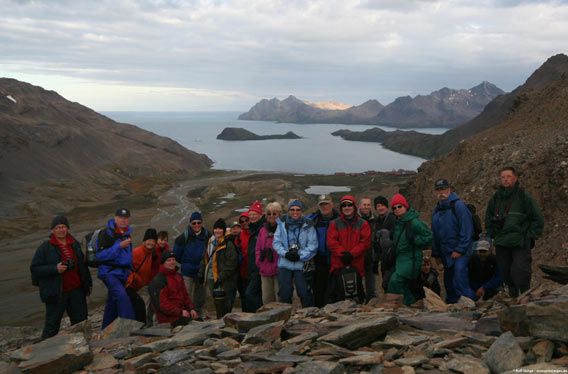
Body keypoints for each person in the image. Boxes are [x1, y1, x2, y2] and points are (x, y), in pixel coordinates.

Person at [485, 166, 544, 297]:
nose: (506, 180)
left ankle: (525, 296)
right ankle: (513, 298)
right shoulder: (496, 198)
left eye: (509, 177)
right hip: (502, 241)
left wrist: (530, 236)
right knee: (505, 272)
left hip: (520, 241)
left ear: (515, 178)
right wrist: (492, 234)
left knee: (521, 271)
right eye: (503, 177)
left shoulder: (523, 196)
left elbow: (538, 218)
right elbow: (488, 218)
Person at [30, 215, 92, 340]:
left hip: (76, 290)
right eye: (58, 227)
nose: (61, 230)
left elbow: (83, 267)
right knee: (52, 325)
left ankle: (82, 348)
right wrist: (54, 269)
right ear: (52, 230)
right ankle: (45, 353)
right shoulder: (45, 248)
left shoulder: (74, 244)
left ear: (67, 229)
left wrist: (87, 284)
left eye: (64, 227)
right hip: (56, 293)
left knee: (80, 322)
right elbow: (35, 269)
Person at [431, 179, 477, 303]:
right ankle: (452, 306)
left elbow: (467, 231)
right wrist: (436, 254)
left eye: (444, 189)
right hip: (446, 254)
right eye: (439, 190)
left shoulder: (459, 206)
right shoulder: (436, 211)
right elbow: (435, 234)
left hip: (461, 252)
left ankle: (471, 304)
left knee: (459, 278)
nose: (441, 192)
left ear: (449, 189)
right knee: (449, 282)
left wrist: (459, 250)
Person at [387, 194, 432, 306]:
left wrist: (415, 239)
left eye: (400, 206)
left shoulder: (414, 222)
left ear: (405, 206)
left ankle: (402, 305)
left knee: (395, 281)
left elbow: (429, 237)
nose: (397, 209)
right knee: (403, 285)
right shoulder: (399, 222)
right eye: (394, 207)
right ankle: (410, 304)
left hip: (411, 259)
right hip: (400, 259)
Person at [327, 195, 371, 304]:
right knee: (338, 296)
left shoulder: (363, 224)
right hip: (338, 265)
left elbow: (365, 242)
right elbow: (331, 242)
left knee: (356, 295)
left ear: (354, 207)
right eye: (344, 205)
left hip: (356, 265)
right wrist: (342, 254)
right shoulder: (334, 223)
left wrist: (351, 254)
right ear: (341, 208)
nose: (347, 207)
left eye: (349, 205)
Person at [273, 200, 318, 307]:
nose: (295, 212)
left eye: (298, 210)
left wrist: (300, 255)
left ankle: (310, 316)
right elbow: (276, 242)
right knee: (284, 293)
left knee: (304, 292)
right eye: (292, 209)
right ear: (288, 211)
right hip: (285, 263)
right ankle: (285, 317)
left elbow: (313, 245)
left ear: (302, 211)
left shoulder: (308, 225)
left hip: (301, 264)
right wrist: (285, 253)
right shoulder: (281, 224)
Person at [96, 208, 136, 329]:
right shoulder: (106, 234)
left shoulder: (127, 234)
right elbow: (100, 256)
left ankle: (106, 329)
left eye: (126, 218)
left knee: (112, 301)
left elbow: (127, 257)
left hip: (122, 273)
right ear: (115, 218)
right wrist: (119, 246)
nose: (124, 220)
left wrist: (130, 271)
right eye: (121, 218)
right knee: (122, 296)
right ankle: (129, 328)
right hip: (109, 273)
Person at [198, 218, 239, 318]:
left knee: (226, 303)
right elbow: (205, 259)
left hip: (225, 280)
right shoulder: (210, 242)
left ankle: (226, 323)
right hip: (211, 277)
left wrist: (220, 278)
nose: (217, 231)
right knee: (217, 302)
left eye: (220, 229)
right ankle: (220, 322)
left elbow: (231, 263)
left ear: (224, 230)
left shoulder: (228, 243)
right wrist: (201, 273)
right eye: (216, 228)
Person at [173, 212, 210, 318]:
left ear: (202, 223)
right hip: (187, 271)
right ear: (190, 224)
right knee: (186, 294)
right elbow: (176, 254)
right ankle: (186, 314)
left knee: (200, 295)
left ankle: (198, 313)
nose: (197, 225)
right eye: (194, 223)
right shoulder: (183, 238)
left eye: (199, 222)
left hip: (202, 271)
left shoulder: (208, 236)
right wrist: (185, 263)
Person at [307, 194, 339, 307]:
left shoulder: (339, 219)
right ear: (318, 206)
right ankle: (319, 315)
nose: (324, 207)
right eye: (322, 205)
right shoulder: (313, 220)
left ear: (332, 204)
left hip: (336, 260)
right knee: (319, 291)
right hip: (319, 261)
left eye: (327, 204)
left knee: (336, 290)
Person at [152, 251, 198, 327]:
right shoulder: (160, 280)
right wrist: (180, 312)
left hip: (181, 314)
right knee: (194, 325)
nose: (172, 262)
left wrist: (191, 309)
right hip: (168, 319)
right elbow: (163, 305)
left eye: (173, 260)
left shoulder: (178, 276)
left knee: (199, 321)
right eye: (169, 260)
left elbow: (185, 295)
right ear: (163, 263)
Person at [126, 228, 160, 323]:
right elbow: (127, 268)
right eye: (149, 240)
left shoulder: (150, 254)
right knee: (139, 305)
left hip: (136, 286)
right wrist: (136, 278)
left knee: (135, 306)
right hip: (128, 284)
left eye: (153, 241)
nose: (151, 243)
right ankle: (141, 326)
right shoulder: (136, 252)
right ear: (144, 241)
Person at [255, 202, 281, 304]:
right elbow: (257, 248)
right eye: (269, 213)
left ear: (279, 214)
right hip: (264, 268)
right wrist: (259, 263)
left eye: (274, 213)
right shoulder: (263, 230)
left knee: (280, 298)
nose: (271, 216)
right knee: (267, 299)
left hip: (279, 268)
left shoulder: (283, 228)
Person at [372, 195, 397, 293]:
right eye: (378, 206)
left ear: (387, 207)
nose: (380, 208)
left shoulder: (393, 219)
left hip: (394, 259)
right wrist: (375, 261)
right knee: (386, 284)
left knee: (392, 283)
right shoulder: (377, 222)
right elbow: (376, 243)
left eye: (382, 205)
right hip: (383, 260)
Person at [244, 201, 265, 312]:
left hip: (260, 268)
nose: (252, 216)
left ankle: (259, 316)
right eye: (250, 214)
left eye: (254, 214)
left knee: (250, 294)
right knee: (258, 294)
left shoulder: (262, 228)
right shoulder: (253, 228)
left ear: (260, 215)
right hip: (253, 269)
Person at [359, 197, 376, 302]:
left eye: (368, 205)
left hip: (371, 256)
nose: (366, 207)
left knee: (371, 283)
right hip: (358, 256)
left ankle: (371, 302)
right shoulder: (356, 219)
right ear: (360, 206)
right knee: (358, 281)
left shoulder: (374, 219)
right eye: (364, 205)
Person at [236, 212, 251, 311]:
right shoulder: (239, 236)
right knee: (245, 296)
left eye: (246, 220)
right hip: (242, 271)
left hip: (255, 271)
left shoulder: (257, 232)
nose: (244, 223)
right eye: (242, 221)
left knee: (252, 295)